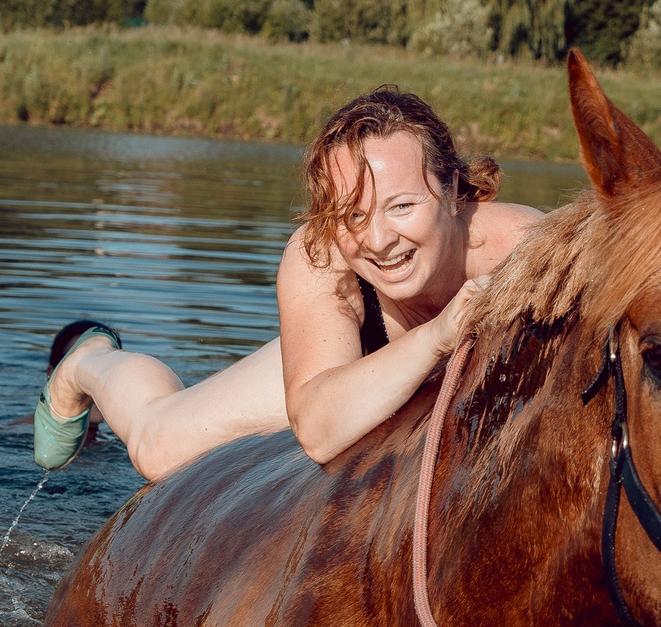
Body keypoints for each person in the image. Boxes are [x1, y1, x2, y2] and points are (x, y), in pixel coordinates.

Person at [31, 87, 542, 481]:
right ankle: (88, 361)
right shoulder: (319, 255)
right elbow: (318, 432)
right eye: (353, 214)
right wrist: (438, 336)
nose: (379, 240)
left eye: (402, 206)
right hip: (351, 356)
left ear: (450, 188)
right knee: (156, 448)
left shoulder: (529, 252)